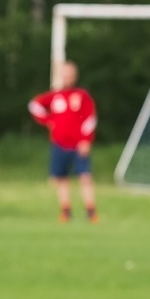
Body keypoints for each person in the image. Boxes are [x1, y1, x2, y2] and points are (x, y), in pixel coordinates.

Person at [29, 61, 98, 223]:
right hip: (59, 143)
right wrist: (48, 120)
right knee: (61, 178)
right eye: (64, 75)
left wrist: (86, 140)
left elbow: (90, 119)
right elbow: (33, 105)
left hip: (78, 145)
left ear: (75, 76)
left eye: (70, 75)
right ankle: (66, 211)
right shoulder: (55, 96)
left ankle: (91, 212)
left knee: (85, 177)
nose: (67, 78)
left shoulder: (81, 96)